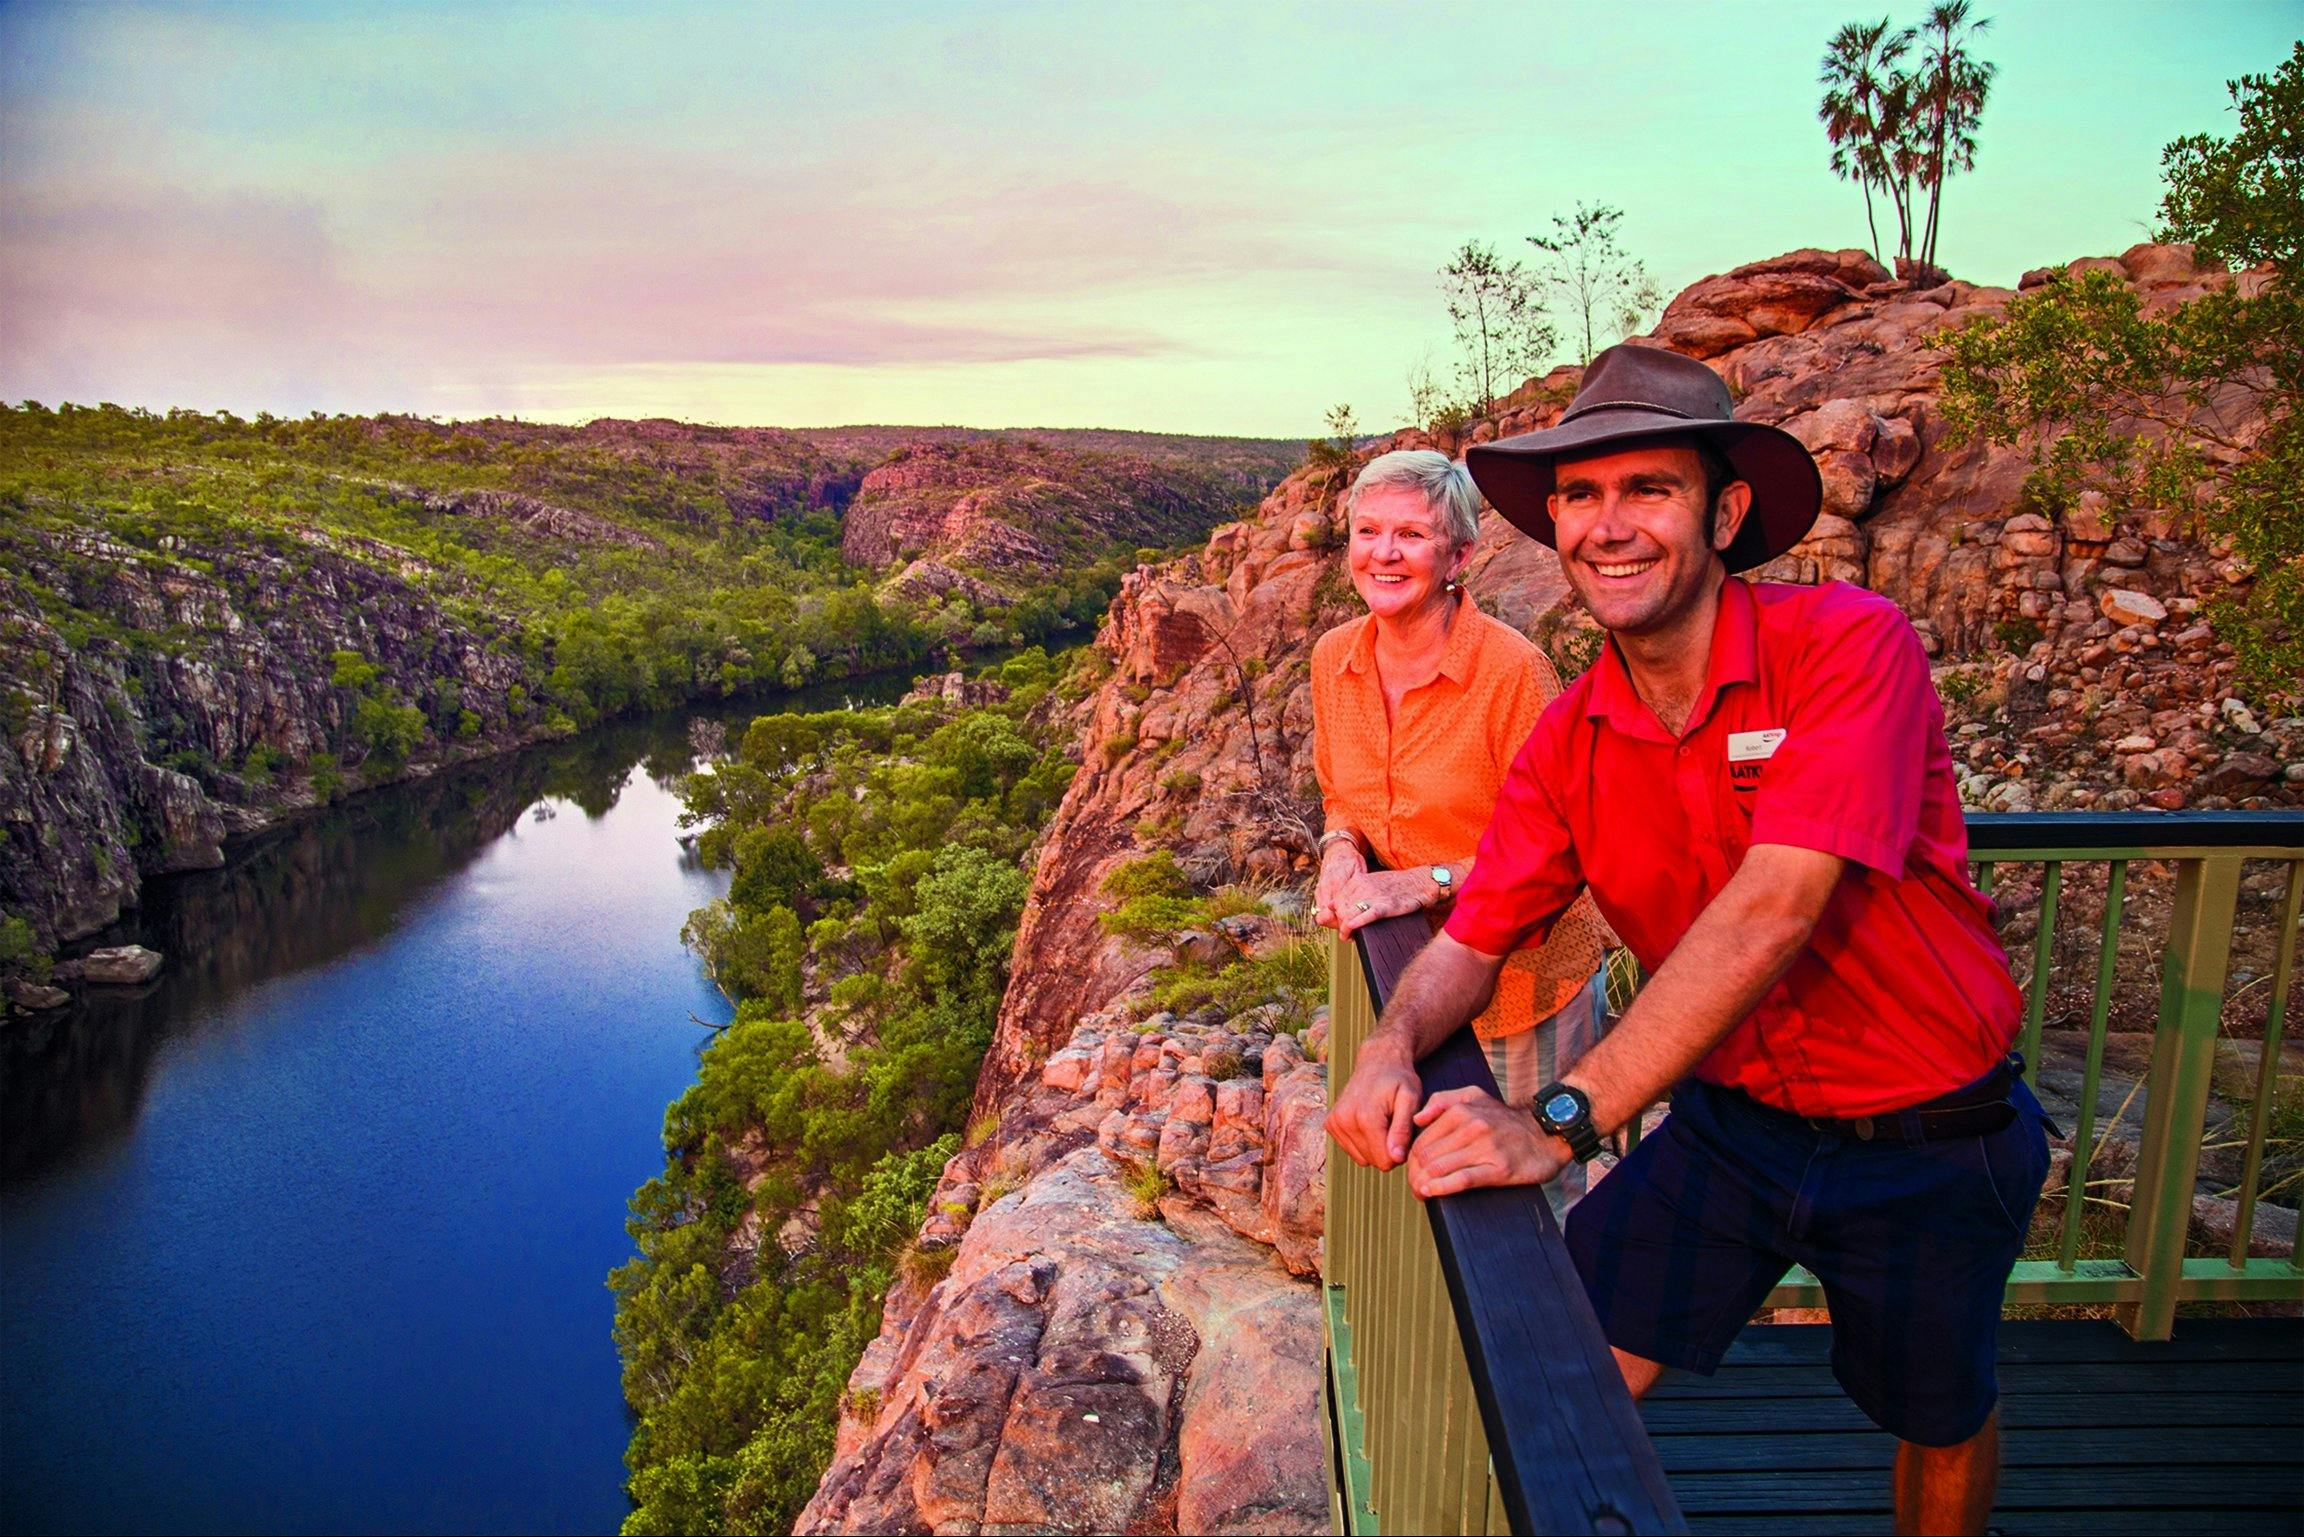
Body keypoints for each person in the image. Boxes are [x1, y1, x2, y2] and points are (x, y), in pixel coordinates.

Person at [1324, 345, 2049, 1537]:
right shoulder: (1573, 739)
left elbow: (1776, 905)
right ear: (1554, 522)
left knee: (1940, 1414)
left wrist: (1555, 1120)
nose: (1610, 527)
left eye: (1647, 489)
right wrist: (1393, 1041)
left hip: (1932, 1130)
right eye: (1580, 496)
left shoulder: (1847, 646)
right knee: (1563, 1364)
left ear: (1724, 511)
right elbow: (1479, 928)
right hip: (1734, 1126)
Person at [1309, 451, 1611, 1189]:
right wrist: (1341, 846)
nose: (1384, 553)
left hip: (1526, 989)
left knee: (1538, 1201)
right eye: (1368, 530)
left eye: (1410, 535)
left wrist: (1428, 880)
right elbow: (1341, 794)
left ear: (1459, 554)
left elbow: (1566, 851)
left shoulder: (1511, 673)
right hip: (1412, 989)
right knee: (1435, 1176)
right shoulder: (1334, 659)